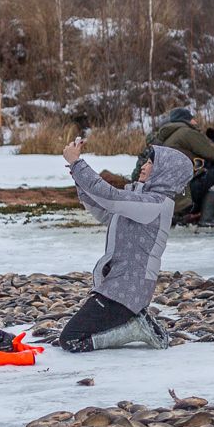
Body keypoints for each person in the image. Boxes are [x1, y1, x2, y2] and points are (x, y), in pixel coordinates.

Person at [59, 138, 189, 352]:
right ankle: (135, 319)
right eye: (146, 162)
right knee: (74, 335)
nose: (144, 166)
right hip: (117, 289)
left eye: (151, 164)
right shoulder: (142, 200)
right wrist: (77, 174)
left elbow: (109, 196)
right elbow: (102, 207)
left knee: (70, 340)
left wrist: (77, 164)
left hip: (126, 292)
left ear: (165, 173)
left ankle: (134, 328)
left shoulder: (154, 204)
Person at [142, 107, 214, 227]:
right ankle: (209, 217)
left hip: (167, 200)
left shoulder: (166, 137)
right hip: (182, 200)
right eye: (193, 118)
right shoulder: (186, 132)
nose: (195, 121)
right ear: (186, 120)